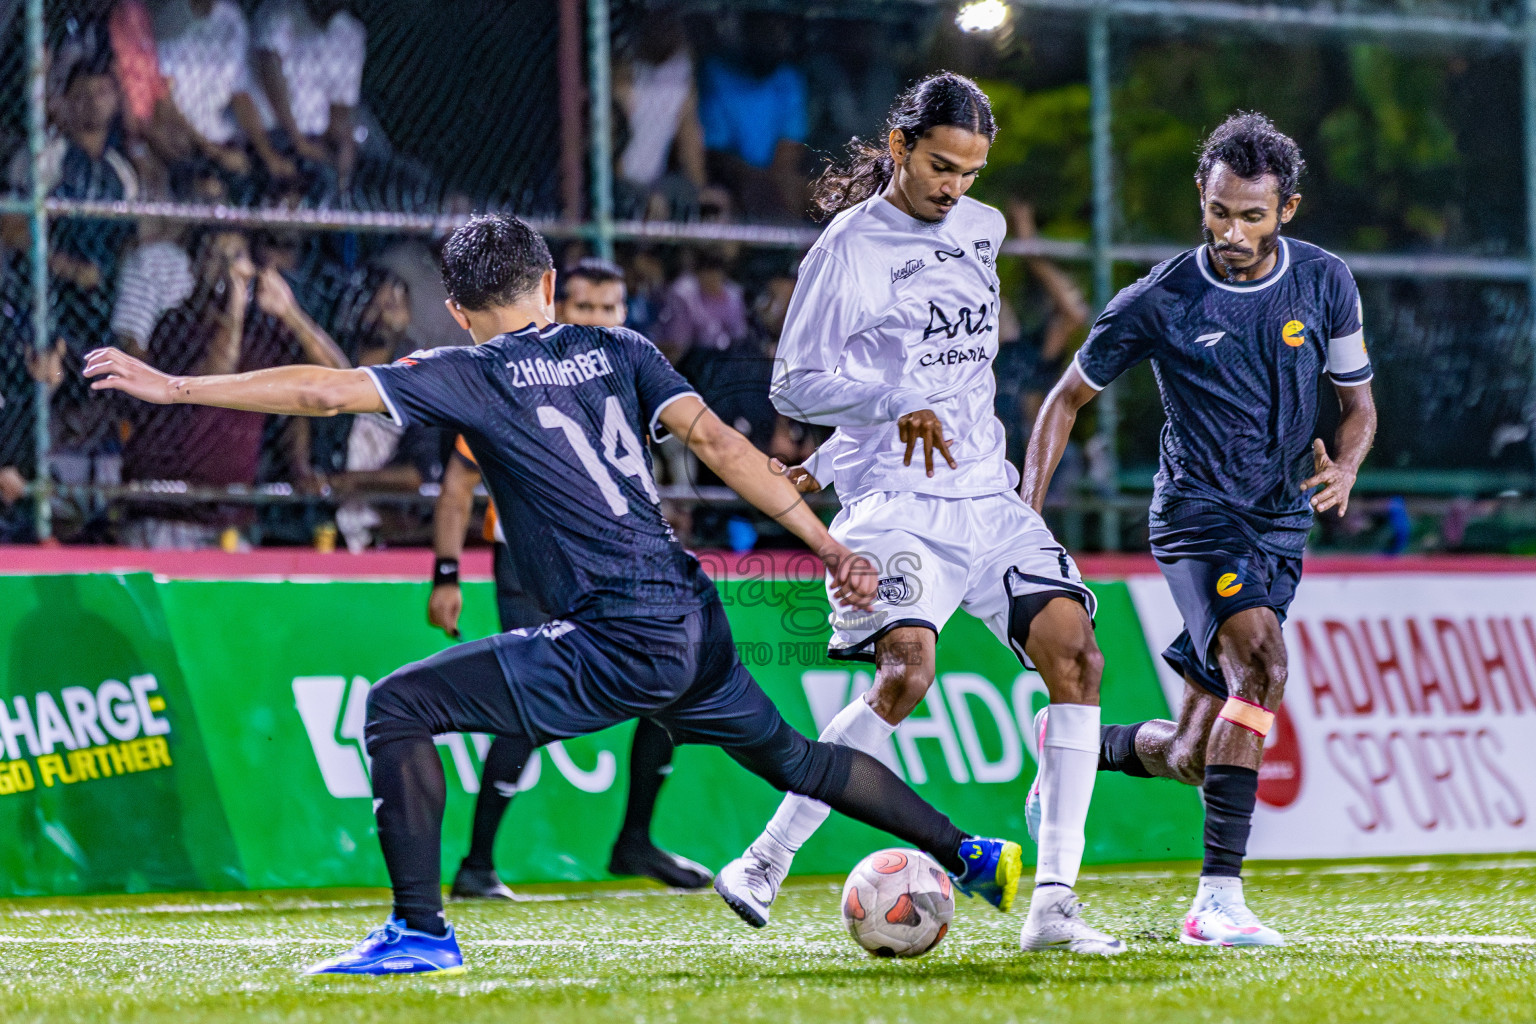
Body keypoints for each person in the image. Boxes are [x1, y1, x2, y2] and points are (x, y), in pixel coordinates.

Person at [85, 212, 1022, 976]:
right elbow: (725, 448)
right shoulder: (622, 345)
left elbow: (326, 395)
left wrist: (173, 387)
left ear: (455, 308)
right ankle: (973, 853)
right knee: (796, 759)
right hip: (691, 616)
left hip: (614, 637)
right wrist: (824, 545)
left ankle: (421, 930)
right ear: (546, 286)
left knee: (396, 707)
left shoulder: (462, 371)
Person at [712, 72, 1124, 956]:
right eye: (940, 166)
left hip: (987, 495)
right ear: (899, 148)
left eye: (971, 172)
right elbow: (796, 382)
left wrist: (835, 453)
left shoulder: (983, 229)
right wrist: (891, 405)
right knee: (906, 674)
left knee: (1079, 659)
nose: (955, 188)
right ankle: (765, 859)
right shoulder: (847, 250)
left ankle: (1054, 905)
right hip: (897, 504)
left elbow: (958, 364)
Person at [1021, 113, 1377, 947]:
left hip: (1281, 523)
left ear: (1287, 208)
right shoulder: (1161, 298)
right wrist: (1024, 523)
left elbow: (1357, 405)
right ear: (1202, 197)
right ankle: (1216, 902)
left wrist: (1349, 466)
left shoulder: (1326, 282)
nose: (1232, 232)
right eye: (1219, 211)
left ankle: (1071, 745)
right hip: (1196, 517)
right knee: (1263, 668)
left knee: (1191, 751)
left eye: (1252, 215)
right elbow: (1063, 400)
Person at [427, 257, 713, 895]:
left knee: (670, 693)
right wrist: (446, 572)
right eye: (585, 308)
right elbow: (457, 488)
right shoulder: (510, 381)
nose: (599, 321)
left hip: (615, 563)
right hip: (534, 566)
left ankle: (635, 842)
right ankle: (477, 865)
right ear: (555, 305)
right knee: (529, 706)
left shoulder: (624, 376)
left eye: (611, 310)